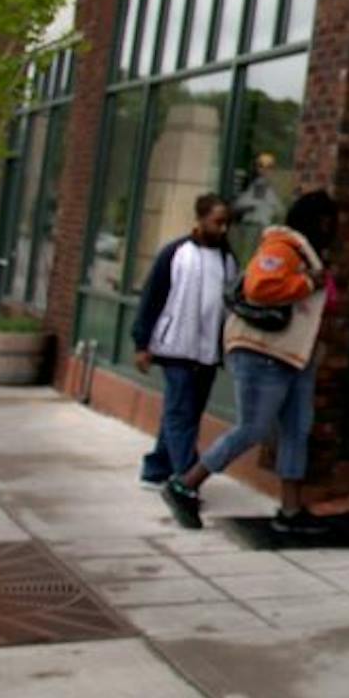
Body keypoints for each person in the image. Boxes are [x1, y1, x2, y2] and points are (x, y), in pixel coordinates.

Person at [161, 189, 338, 538]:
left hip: (295, 357)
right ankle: (184, 485)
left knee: (296, 430)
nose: (332, 228)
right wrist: (307, 282)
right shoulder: (283, 247)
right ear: (315, 220)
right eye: (328, 220)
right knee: (252, 428)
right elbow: (260, 286)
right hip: (263, 354)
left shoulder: (311, 255)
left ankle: (290, 510)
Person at [130, 192, 236, 489]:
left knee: (184, 412)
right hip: (175, 347)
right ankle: (185, 478)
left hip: (207, 354)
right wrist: (142, 343)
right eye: (217, 222)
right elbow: (152, 298)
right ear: (200, 219)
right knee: (181, 413)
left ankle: (155, 469)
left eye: (227, 223)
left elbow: (229, 305)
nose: (223, 229)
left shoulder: (228, 259)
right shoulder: (174, 253)